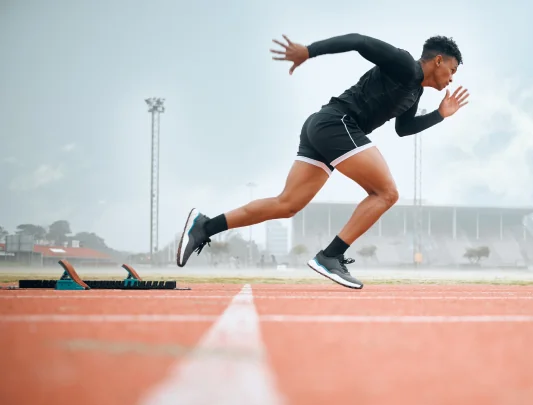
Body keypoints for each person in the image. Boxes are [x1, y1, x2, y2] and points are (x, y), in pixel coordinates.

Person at [175, 33, 469, 289]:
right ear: (438, 60)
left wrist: (439, 115)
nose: (452, 78)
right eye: (452, 70)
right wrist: (309, 51)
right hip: (337, 124)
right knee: (386, 193)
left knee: (287, 204)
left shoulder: (414, 91)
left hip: (324, 126)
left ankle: (204, 227)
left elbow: (403, 129)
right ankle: (330, 256)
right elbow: (359, 41)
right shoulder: (404, 64)